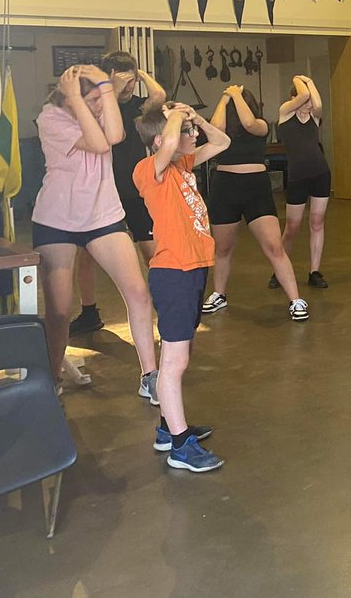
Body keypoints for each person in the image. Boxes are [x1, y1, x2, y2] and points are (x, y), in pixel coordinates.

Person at [31, 65, 159, 395]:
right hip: (57, 220)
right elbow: (100, 144)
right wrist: (75, 97)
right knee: (59, 312)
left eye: (99, 98)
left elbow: (115, 136)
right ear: (70, 96)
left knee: (138, 293)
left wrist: (104, 86)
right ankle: (53, 379)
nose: (100, 105)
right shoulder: (50, 117)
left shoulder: (100, 108)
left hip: (103, 216)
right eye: (92, 99)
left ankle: (151, 376)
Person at [133, 101, 230, 472]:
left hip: (192, 270)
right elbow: (170, 143)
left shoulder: (183, 165)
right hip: (173, 272)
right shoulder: (148, 171)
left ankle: (166, 428)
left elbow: (220, 142)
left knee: (178, 353)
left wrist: (196, 118)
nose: (193, 136)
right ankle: (179, 445)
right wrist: (175, 117)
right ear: (161, 141)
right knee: (175, 361)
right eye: (187, 132)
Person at [69, 51, 166, 336]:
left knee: (152, 251)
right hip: (102, 190)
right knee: (85, 253)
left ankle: (165, 305)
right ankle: (89, 313)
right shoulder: (100, 104)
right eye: (125, 81)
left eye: (132, 81)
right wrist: (110, 83)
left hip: (135, 190)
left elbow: (158, 96)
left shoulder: (138, 105)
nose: (129, 87)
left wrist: (140, 73)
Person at [201, 86, 308, 322]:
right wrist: (225, 96)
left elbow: (249, 123)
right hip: (225, 187)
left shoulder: (260, 125)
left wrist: (236, 95)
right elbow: (216, 127)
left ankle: (295, 299)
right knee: (222, 249)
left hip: (255, 188)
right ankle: (219, 294)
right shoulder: (223, 131)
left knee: (274, 247)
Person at [268, 75, 330, 291]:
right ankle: (279, 268)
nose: (309, 102)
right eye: (305, 99)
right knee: (292, 227)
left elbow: (319, 104)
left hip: (320, 173)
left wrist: (311, 82)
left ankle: (315, 271)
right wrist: (298, 78)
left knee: (317, 222)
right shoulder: (285, 113)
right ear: (294, 98)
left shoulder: (314, 117)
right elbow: (303, 94)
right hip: (297, 177)